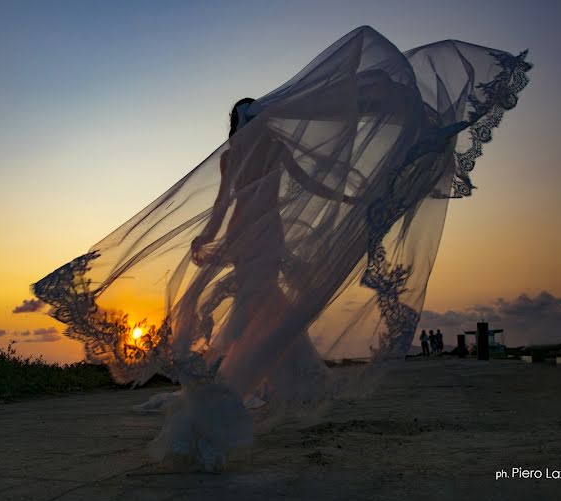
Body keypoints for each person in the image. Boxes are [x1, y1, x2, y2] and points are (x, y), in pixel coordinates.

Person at [32, 26, 531, 470]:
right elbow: (311, 182)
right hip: (260, 241)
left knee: (262, 310)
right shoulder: (270, 148)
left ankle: (235, 393)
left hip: (250, 241)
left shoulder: (241, 152)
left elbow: (231, 203)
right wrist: (363, 197)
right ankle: (252, 389)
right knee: (265, 310)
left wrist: (213, 237)